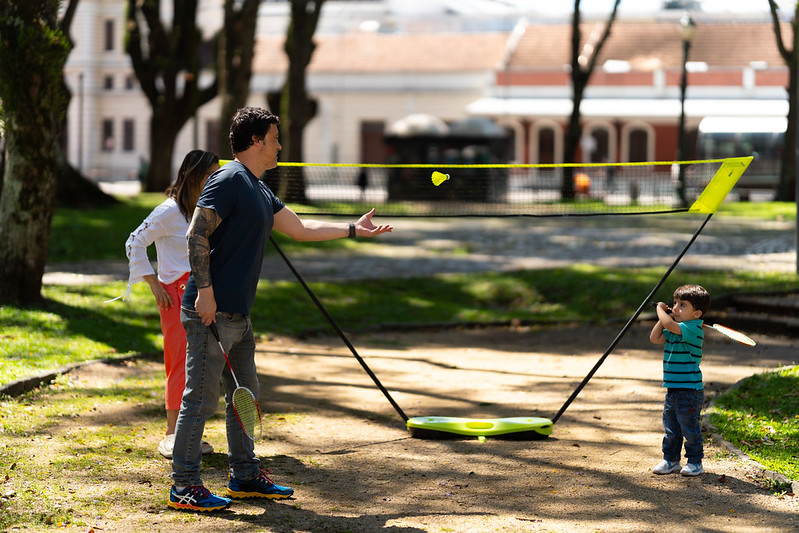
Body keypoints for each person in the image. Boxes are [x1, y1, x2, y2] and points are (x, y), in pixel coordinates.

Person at [168, 107, 394, 512]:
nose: (280, 146)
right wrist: (204, 292)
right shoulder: (230, 179)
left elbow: (301, 229)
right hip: (210, 313)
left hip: (239, 315)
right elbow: (195, 233)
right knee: (199, 401)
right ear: (255, 141)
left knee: (246, 396)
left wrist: (353, 229)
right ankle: (184, 484)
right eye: (274, 138)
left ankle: (245, 475)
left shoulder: (257, 187)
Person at [123, 150, 220, 459]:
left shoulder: (207, 209)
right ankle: (171, 434)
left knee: (201, 366)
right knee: (179, 364)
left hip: (203, 294)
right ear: (193, 177)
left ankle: (190, 434)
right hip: (176, 295)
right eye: (209, 176)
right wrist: (154, 284)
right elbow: (134, 241)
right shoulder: (168, 211)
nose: (215, 181)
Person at [649, 284, 710, 477]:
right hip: (673, 389)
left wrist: (660, 310)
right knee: (671, 428)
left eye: (682, 305)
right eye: (674, 303)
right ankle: (671, 460)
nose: (675, 308)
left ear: (697, 313)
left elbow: (669, 325)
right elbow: (654, 337)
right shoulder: (676, 329)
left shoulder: (692, 329)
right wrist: (664, 316)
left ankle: (695, 462)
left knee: (690, 429)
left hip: (689, 391)